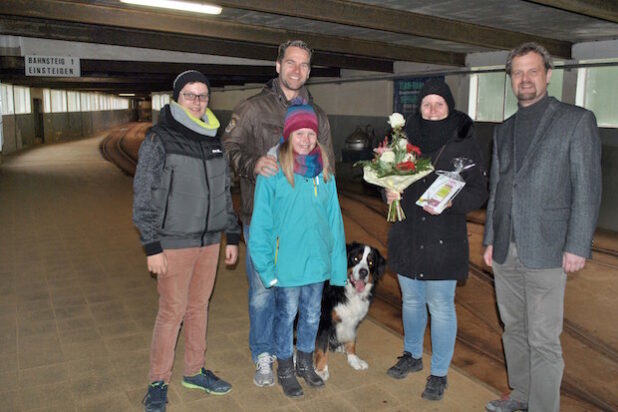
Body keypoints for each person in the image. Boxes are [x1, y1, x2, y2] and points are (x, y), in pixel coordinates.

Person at [483, 43, 602, 412]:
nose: (525, 79)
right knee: (514, 329)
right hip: (506, 247)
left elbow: (587, 186)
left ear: (548, 75)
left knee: (543, 338)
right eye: (518, 72)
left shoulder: (575, 120)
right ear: (511, 79)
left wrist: (578, 244)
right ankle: (520, 395)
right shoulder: (505, 130)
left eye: (532, 71)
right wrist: (490, 238)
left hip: (548, 247)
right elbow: (498, 189)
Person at [221, 39, 335, 387]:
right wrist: (252, 164)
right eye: (291, 63)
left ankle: (292, 355)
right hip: (263, 220)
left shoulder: (317, 115)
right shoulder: (253, 109)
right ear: (278, 65)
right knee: (263, 292)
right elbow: (227, 149)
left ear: (309, 71)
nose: (296, 70)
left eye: (303, 65)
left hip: (303, 228)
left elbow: (328, 168)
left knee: (296, 297)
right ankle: (264, 356)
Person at [133, 70, 240, 412]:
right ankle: (157, 381)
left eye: (203, 95)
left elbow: (224, 191)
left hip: (209, 241)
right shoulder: (159, 139)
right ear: (177, 99)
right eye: (190, 95)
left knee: (198, 308)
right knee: (171, 313)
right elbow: (144, 194)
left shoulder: (213, 139)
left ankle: (193, 371)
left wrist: (232, 235)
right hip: (174, 242)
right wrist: (151, 245)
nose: (197, 102)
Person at [385, 79, 488, 401]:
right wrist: (386, 191)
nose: (432, 110)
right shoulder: (402, 138)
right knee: (412, 301)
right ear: (420, 107)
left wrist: (452, 202)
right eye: (427, 104)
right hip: (407, 233)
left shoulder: (464, 142)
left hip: (444, 238)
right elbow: (386, 175)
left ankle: (439, 372)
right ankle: (412, 355)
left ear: (449, 106)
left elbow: (479, 191)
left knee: (440, 306)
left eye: (438, 104)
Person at [248, 104, 347, 398]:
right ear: (289, 135)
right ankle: (286, 368)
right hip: (287, 263)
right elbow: (261, 223)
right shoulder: (273, 170)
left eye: (311, 133)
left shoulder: (324, 171)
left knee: (313, 315)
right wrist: (266, 267)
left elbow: (335, 220)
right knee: (287, 313)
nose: (306, 139)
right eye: (299, 133)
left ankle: (305, 363)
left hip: (316, 261)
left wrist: (337, 265)